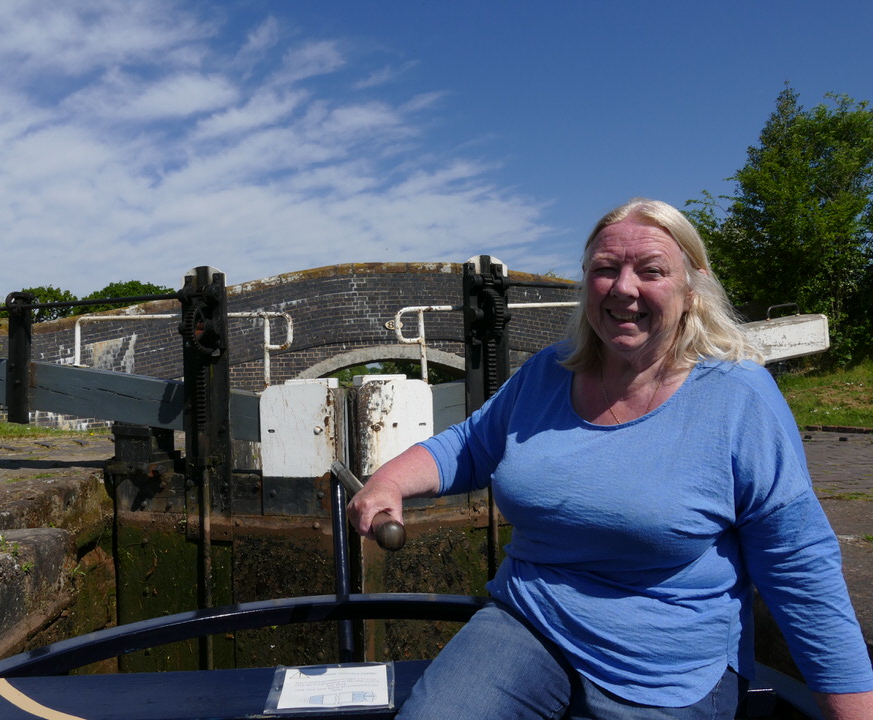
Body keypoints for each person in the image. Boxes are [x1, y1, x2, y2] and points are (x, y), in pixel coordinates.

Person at [348, 198, 873, 720]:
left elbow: (798, 567)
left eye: (650, 270)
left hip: (663, 666)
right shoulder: (547, 372)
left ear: (692, 289)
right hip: (529, 621)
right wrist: (389, 481)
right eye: (605, 269)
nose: (624, 287)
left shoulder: (739, 398)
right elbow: (469, 444)